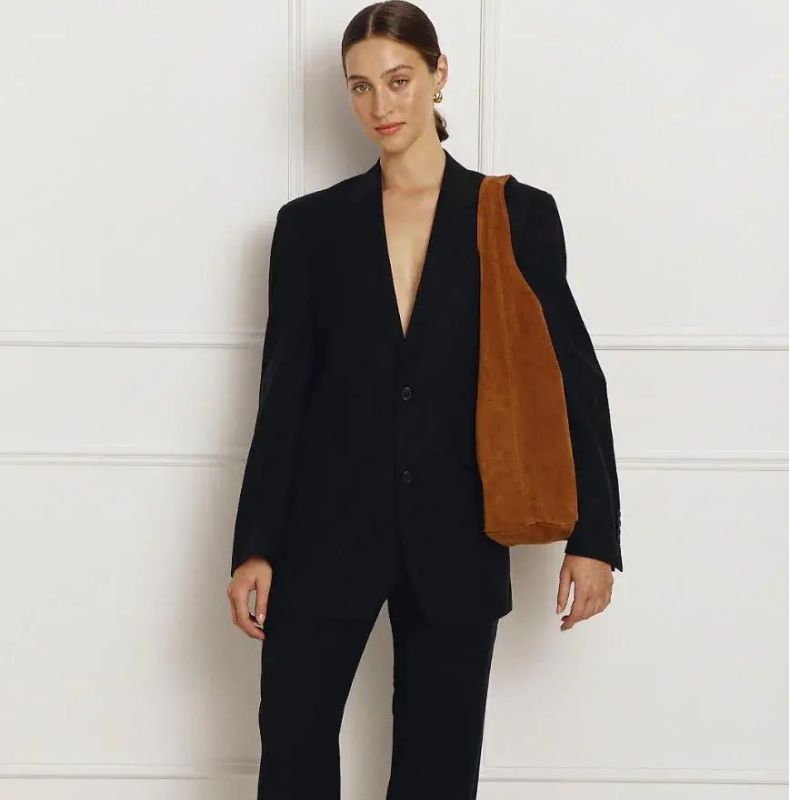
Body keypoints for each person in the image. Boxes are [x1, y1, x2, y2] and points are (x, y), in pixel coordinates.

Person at [226, 2, 623, 797]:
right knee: (294, 752)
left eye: (399, 80)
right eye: (360, 86)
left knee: (437, 774)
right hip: (323, 534)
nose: (381, 105)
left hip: (459, 533)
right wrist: (255, 545)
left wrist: (596, 538)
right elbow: (284, 394)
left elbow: (573, 377)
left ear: (439, 75)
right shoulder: (309, 229)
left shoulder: (515, 215)